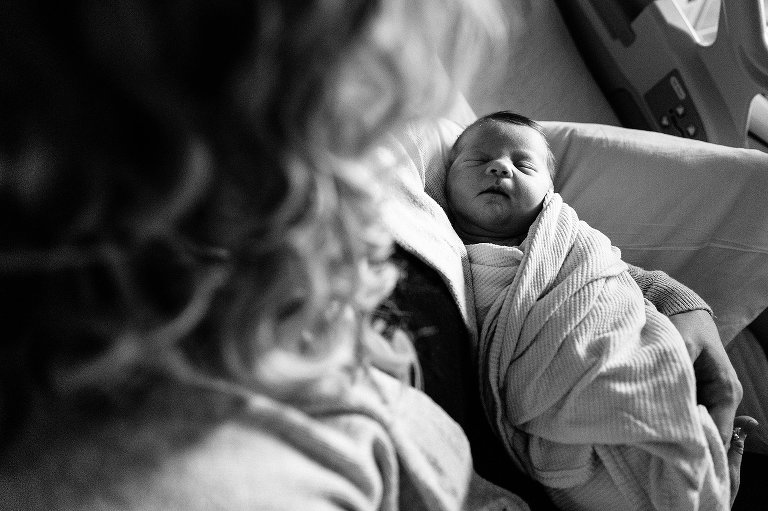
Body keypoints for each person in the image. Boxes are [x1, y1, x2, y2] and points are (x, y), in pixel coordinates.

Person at [0, 2, 747, 510]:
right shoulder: (208, 473)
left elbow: (552, 236)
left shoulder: (360, 166)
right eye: (354, 117)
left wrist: (673, 302)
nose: (369, 177)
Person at [443, 111, 758, 508]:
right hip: (555, 411)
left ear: (548, 192)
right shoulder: (445, 250)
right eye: (478, 159)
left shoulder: (571, 242)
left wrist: (689, 312)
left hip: (647, 371)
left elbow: (631, 280)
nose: (500, 167)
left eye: (524, 165)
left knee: (685, 465)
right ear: (445, 177)